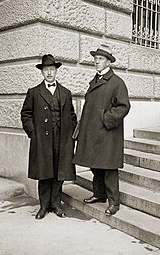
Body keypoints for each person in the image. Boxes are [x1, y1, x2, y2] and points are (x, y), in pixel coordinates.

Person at [73, 44, 130, 216]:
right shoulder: (95, 80)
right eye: (96, 59)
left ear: (108, 63)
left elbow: (123, 106)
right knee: (95, 165)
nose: (96, 62)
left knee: (109, 168)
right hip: (92, 131)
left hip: (108, 133)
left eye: (100, 59)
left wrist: (105, 119)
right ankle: (99, 194)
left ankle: (114, 202)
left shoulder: (117, 82)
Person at [21, 54, 77, 219]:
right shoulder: (34, 92)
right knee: (44, 173)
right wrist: (33, 133)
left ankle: (56, 204)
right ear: (42, 72)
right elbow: (26, 114)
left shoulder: (66, 93)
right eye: (46, 70)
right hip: (42, 140)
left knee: (59, 172)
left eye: (52, 69)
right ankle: (44, 206)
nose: (49, 73)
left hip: (62, 140)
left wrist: (71, 135)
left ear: (56, 71)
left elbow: (72, 116)